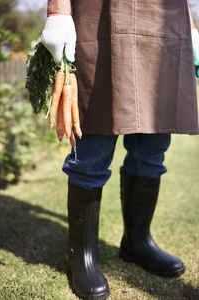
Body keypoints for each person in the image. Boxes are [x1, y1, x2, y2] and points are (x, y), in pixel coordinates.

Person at [41, 1, 199, 299]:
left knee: (153, 146)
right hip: (100, 16)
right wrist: (58, 11)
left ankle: (137, 242)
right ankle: (82, 257)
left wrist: (191, 28)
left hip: (163, 22)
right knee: (93, 147)